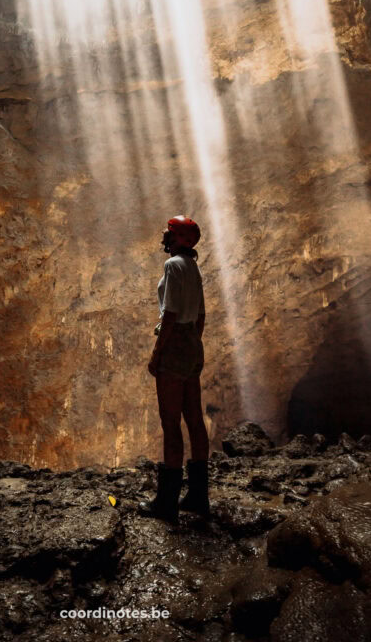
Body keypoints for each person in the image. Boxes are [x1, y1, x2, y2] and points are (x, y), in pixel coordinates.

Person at [138, 215, 210, 524]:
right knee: (194, 419)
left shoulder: (172, 266)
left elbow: (170, 314)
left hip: (176, 342)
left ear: (178, 239)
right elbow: (202, 316)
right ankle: (198, 496)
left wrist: (158, 353)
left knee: (170, 422)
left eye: (169, 233)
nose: (165, 237)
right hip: (193, 342)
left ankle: (166, 504)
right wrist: (191, 343)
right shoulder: (193, 267)